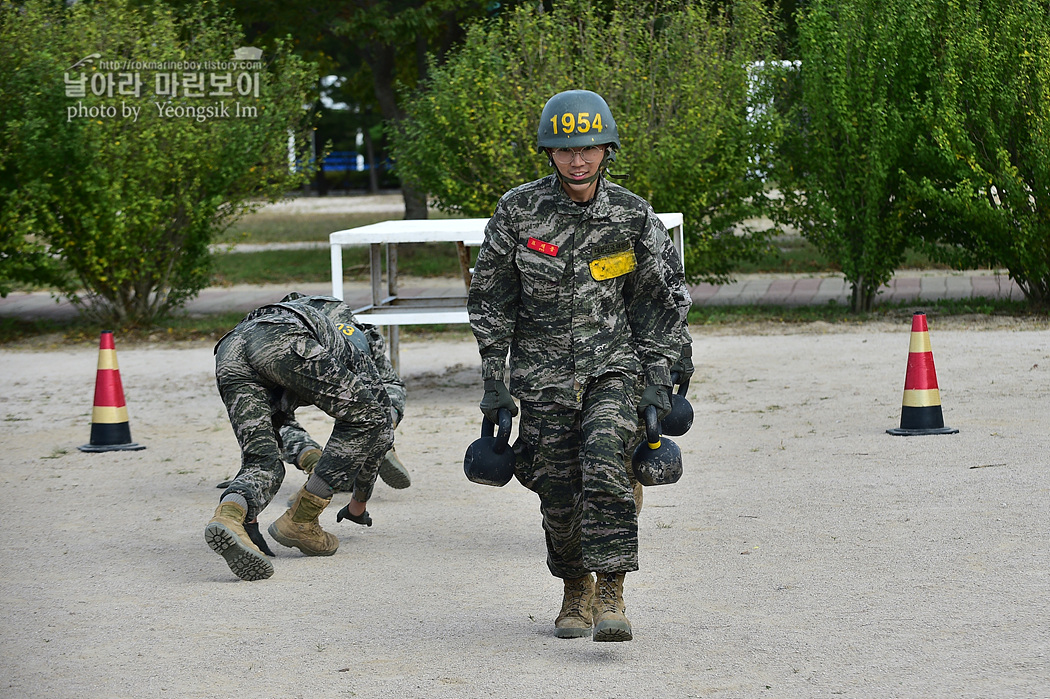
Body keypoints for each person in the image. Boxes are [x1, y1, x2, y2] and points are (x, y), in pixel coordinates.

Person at [467, 89, 691, 641]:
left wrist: (659, 379)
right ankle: (575, 588)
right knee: (557, 486)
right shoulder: (518, 212)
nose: (578, 160)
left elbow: (661, 303)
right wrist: (495, 383)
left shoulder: (632, 217)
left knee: (604, 459)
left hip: (613, 368)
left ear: (607, 149)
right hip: (541, 376)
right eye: (565, 150)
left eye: (589, 148)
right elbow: (492, 300)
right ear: (549, 153)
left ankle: (612, 590)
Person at [204, 293, 397, 581]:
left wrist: (251, 517)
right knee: (367, 417)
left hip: (230, 348)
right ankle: (301, 520)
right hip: (280, 341)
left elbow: (281, 425)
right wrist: (359, 504)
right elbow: (378, 429)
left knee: (262, 461)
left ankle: (231, 517)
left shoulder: (297, 315)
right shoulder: (355, 343)